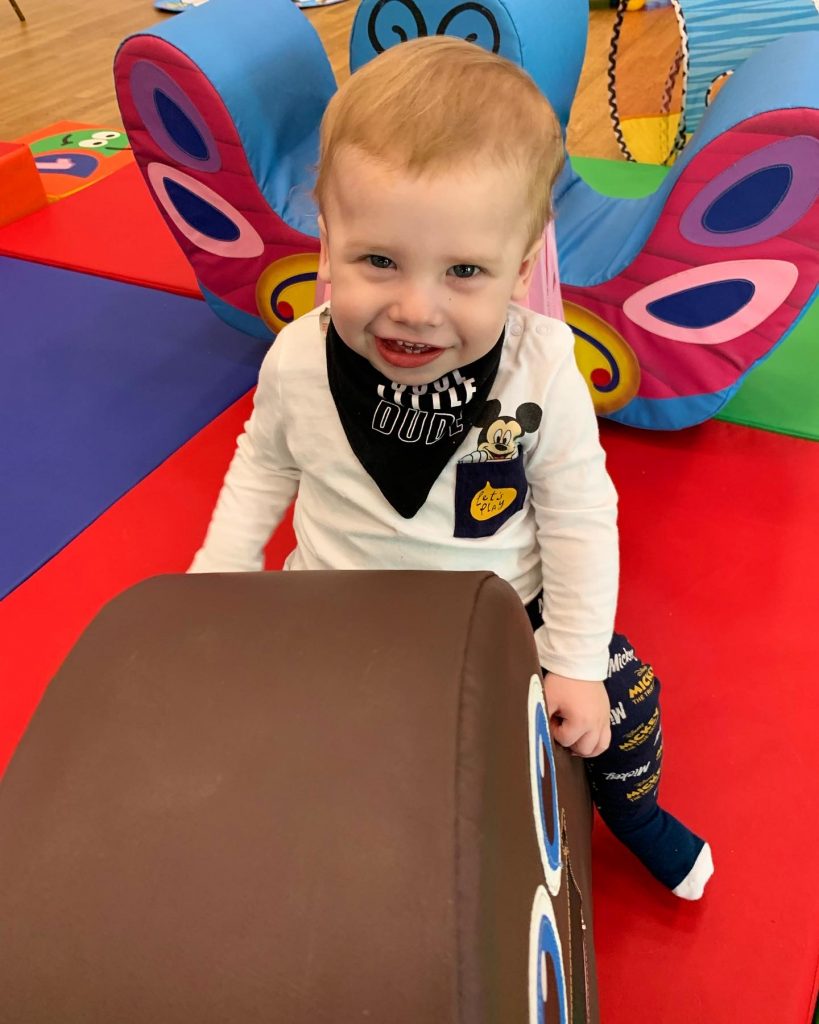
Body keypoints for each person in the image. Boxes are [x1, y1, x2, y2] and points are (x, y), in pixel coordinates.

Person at [190, 36, 713, 900]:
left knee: (621, 709)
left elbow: (580, 518)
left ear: (522, 261)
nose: (414, 309)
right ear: (326, 238)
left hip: (504, 608)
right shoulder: (297, 357)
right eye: (377, 261)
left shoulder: (537, 370)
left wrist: (573, 658)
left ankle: (636, 814)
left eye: (464, 271)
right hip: (336, 596)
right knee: (284, 735)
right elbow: (263, 462)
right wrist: (223, 565)